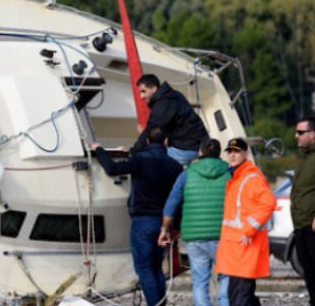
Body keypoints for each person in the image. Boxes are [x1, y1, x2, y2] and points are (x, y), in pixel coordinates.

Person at [91, 126, 183, 306]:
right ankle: (160, 303)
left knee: (145, 268)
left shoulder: (139, 159)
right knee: (156, 266)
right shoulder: (176, 166)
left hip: (144, 220)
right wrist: (177, 226)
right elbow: (178, 199)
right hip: (165, 223)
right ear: (166, 142)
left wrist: (98, 149)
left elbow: (112, 169)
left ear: (148, 141)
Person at [159, 139, 230, 306]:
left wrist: (164, 229)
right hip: (224, 236)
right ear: (219, 154)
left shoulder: (186, 174)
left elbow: (171, 204)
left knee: (200, 283)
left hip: (195, 238)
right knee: (226, 279)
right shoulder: (230, 173)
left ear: (200, 153)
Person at [215, 138, 276, 306]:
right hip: (238, 251)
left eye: (237, 151)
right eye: (230, 151)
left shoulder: (250, 178)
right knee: (243, 297)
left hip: (244, 251)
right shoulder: (238, 177)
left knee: (238, 299)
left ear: (246, 153)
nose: (232, 155)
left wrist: (249, 229)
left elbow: (269, 202)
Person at [290, 116, 315, 306]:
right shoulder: (305, 155)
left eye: (300, 132)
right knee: (307, 265)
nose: (296, 136)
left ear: (312, 134)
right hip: (301, 222)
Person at [131, 74, 209, 166]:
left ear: (154, 88)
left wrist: (132, 153)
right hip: (201, 146)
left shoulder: (163, 105)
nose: (141, 96)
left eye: (143, 91)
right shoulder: (174, 95)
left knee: (152, 163)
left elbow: (151, 129)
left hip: (188, 149)